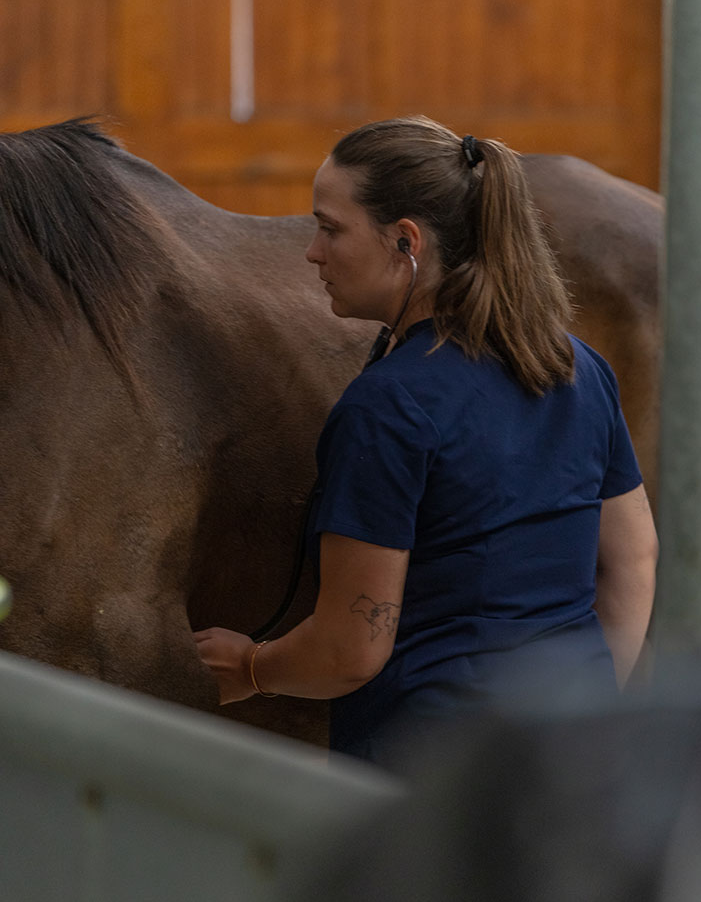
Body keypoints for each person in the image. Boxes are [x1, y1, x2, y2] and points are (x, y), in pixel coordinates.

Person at [193, 116, 658, 767]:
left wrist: (250, 666)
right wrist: (594, 704)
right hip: (565, 748)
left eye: (330, 229)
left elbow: (351, 648)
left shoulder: (386, 409)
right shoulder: (578, 364)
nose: (312, 253)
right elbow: (634, 559)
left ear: (406, 241)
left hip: (432, 768)